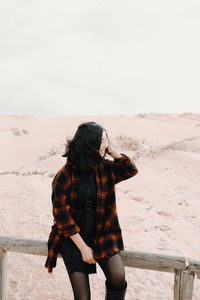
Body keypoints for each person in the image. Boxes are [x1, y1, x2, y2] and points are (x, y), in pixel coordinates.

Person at [44, 121, 139, 300]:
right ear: (89, 143)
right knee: (82, 297)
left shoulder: (105, 168)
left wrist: (110, 151)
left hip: (103, 231)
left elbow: (130, 169)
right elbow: (61, 216)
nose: (106, 143)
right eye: (102, 140)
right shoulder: (64, 175)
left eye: (106, 139)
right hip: (73, 237)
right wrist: (83, 248)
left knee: (118, 277)